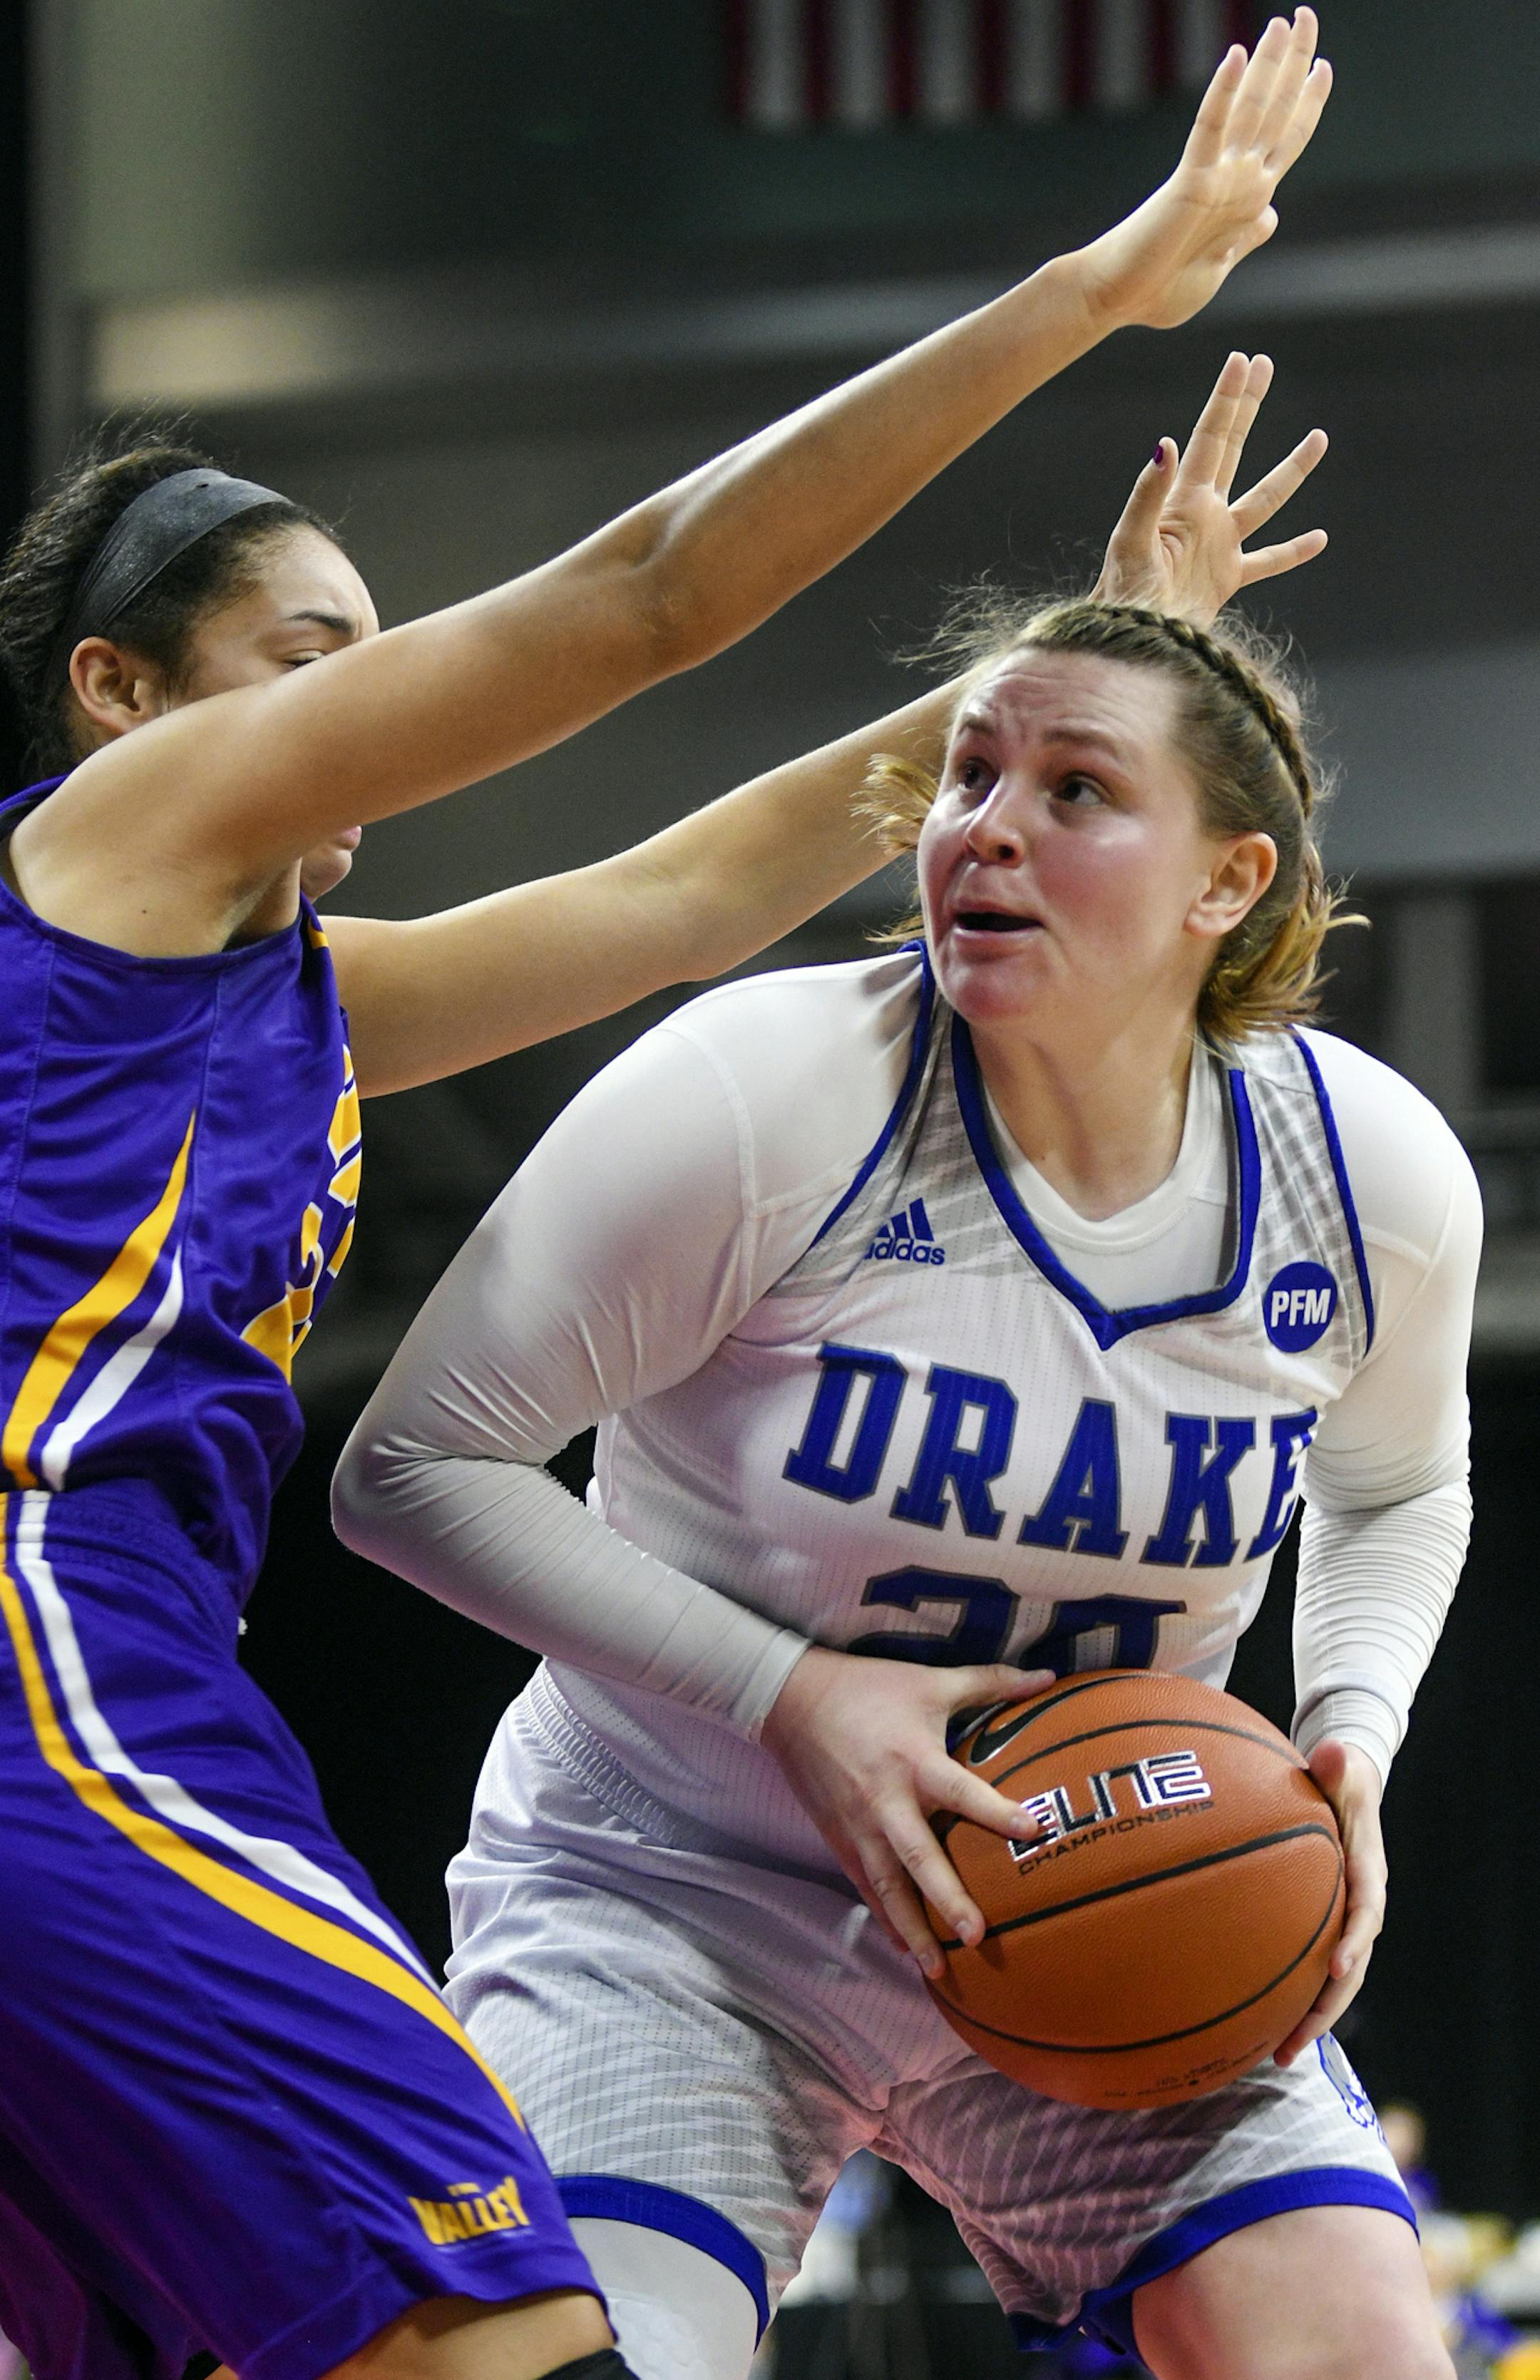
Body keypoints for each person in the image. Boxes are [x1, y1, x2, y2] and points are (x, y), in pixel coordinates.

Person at [0, 23, 1334, 2380]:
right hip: (46, 1673)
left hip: (140, 1679)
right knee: (507, 2328)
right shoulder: (111, 855)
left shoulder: (306, 994)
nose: (385, 695)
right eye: (323, 657)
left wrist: (1073, 667)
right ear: (121, 696)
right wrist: (1090, 291)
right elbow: (643, 599)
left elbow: (693, 887)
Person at [334, 349, 1477, 2380]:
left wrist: (1352, 1732)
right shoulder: (766, 1089)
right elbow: (411, 1467)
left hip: (1097, 1874)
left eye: (1075, 791)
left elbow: (1397, 1481)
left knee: (1360, 2354)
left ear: (1236, 884)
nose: (985, 830)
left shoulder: (1365, 1171)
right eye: (965, 776)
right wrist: (795, 1692)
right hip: (673, 1886)